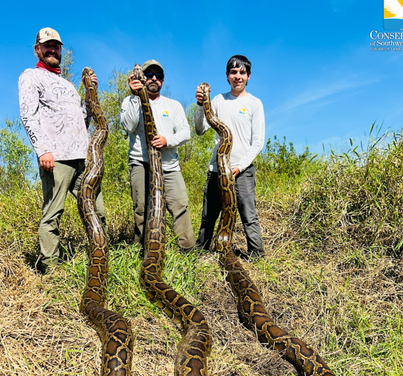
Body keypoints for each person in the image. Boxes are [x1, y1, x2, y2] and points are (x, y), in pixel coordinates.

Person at [17, 27, 106, 272]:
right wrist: (42, 150)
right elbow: (28, 115)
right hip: (55, 159)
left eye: (56, 46)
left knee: (97, 210)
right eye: (47, 45)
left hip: (82, 159)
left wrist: (88, 95)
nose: (53, 50)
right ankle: (52, 272)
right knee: (53, 214)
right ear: (37, 49)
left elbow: (82, 121)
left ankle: (100, 260)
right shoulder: (30, 76)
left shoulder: (67, 85)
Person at [193, 54, 266, 259]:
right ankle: (200, 253)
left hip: (242, 170)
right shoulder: (217, 100)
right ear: (227, 75)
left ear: (248, 76)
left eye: (242, 72)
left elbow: (258, 142)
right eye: (233, 72)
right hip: (217, 169)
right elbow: (200, 129)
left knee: (248, 215)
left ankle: (257, 256)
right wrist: (200, 105)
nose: (237, 76)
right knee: (209, 215)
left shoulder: (254, 103)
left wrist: (239, 166)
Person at [120, 59, 195, 254]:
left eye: (158, 75)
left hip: (169, 166)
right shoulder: (129, 101)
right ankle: (143, 251)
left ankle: (187, 251)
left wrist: (167, 140)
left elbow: (185, 133)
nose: (153, 78)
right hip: (141, 163)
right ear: (142, 78)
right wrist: (135, 96)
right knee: (142, 208)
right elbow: (128, 126)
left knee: (179, 206)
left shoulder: (173, 105)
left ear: (162, 80)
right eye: (149, 75)